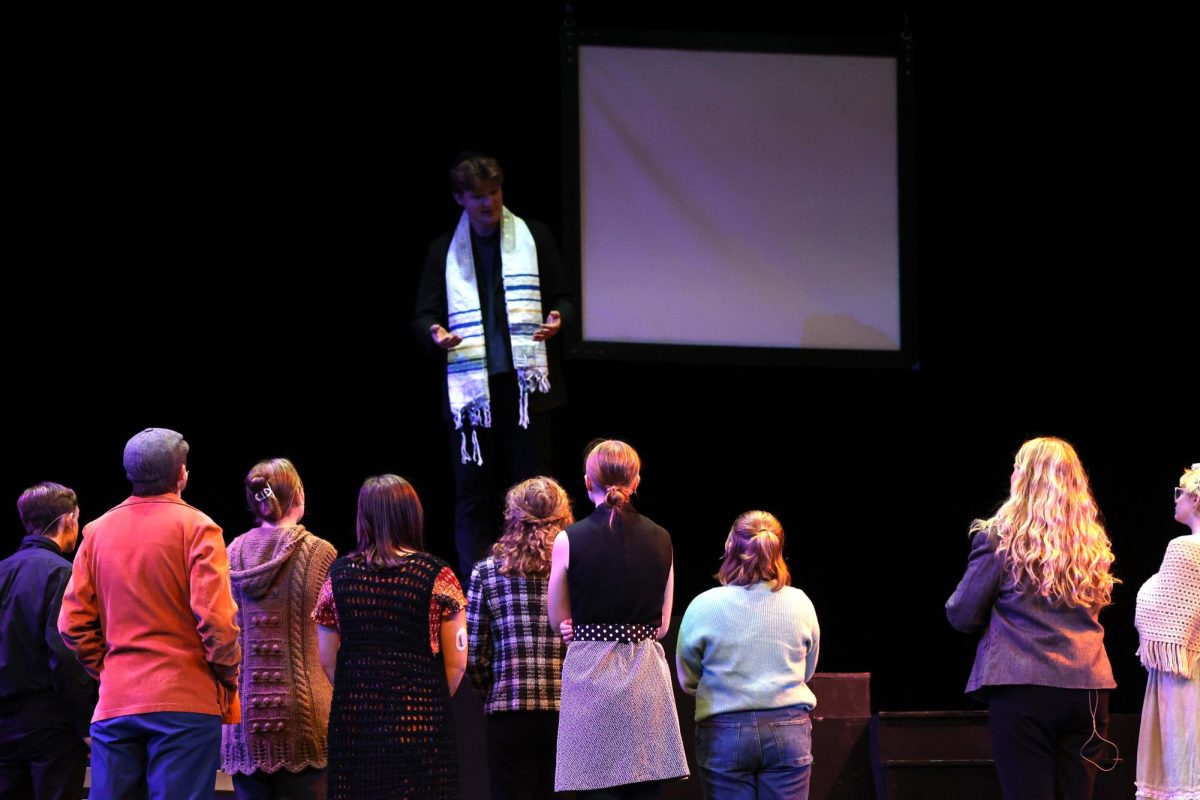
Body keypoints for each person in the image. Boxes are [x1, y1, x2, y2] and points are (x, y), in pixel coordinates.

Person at [412, 152, 577, 577]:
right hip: (472, 393)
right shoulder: (442, 251)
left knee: (533, 488)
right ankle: (478, 584)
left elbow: (565, 298)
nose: (489, 204)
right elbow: (424, 314)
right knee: (473, 492)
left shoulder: (533, 237)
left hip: (526, 389)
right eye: (478, 196)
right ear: (459, 199)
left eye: (495, 192)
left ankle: (538, 576)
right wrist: (435, 333)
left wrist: (559, 318)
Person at [59, 427, 241, 800]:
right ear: (181, 475)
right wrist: (224, 676)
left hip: (116, 703)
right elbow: (218, 624)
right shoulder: (199, 528)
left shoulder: (95, 531)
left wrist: (110, 668)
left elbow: (71, 623)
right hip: (186, 704)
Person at [946, 436, 1117, 800]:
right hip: (1087, 689)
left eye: (1017, 468)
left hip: (1024, 686)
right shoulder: (1092, 543)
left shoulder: (1001, 539)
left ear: (1024, 479)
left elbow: (961, 613)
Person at [548, 440, 689, 798]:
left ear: (586, 481)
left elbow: (558, 620)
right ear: (636, 481)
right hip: (644, 672)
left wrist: (579, 626)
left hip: (591, 672)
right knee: (644, 786)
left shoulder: (569, 539)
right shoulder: (662, 538)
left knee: (598, 787)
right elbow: (662, 626)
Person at [314, 474, 467, 800]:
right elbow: (457, 665)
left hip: (358, 722)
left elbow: (328, 661)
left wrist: (366, 699)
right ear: (411, 514)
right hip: (420, 720)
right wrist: (427, 705)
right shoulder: (438, 575)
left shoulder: (338, 577)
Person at [676, 510, 820, 800]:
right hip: (788, 728)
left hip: (724, 731)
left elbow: (688, 677)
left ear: (731, 547)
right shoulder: (800, 603)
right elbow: (807, 668)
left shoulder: (704, 606)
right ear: (777, 550)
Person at [222, 459, 337, 799]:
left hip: (244, 721)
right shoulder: (321, 554)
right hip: (307, 718)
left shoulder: (228, 554)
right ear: (298, 496)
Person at [467, 476, 574, 800]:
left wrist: (496, 691)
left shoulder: (486, 573)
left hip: (509, 712)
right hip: (567, 712)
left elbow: (475, 654)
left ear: (512, 516)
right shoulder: (578, 569)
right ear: (564, 515)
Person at [0, 482, 98, 800]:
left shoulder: (2, 571)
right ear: (69, 520)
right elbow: (66, 653)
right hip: (50, 728)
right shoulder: (62, 573)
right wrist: (86, 725)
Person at [1134, 462, 1200, 799]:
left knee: (1183, 767)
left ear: (1196, 500)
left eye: (1181, 493)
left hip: (1185, 674)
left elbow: (1155, 610)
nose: (1176, 500)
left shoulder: (1185, 548)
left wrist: (1143, 591)